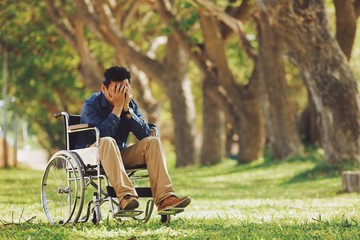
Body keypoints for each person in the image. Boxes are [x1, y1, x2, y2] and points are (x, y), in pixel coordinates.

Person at [75, 66, 191, 212]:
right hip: (94, 155)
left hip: (119, 155)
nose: (120, 93)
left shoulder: (130, 104)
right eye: (116, 88)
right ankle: (126, 197)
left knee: (152, 142)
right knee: (107, 141)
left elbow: (145, 135)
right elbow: (103, 134)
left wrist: (127, 110)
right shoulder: (91, 104)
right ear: (104, 88)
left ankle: (165, 199)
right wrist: (117, 108)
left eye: (124, 88)